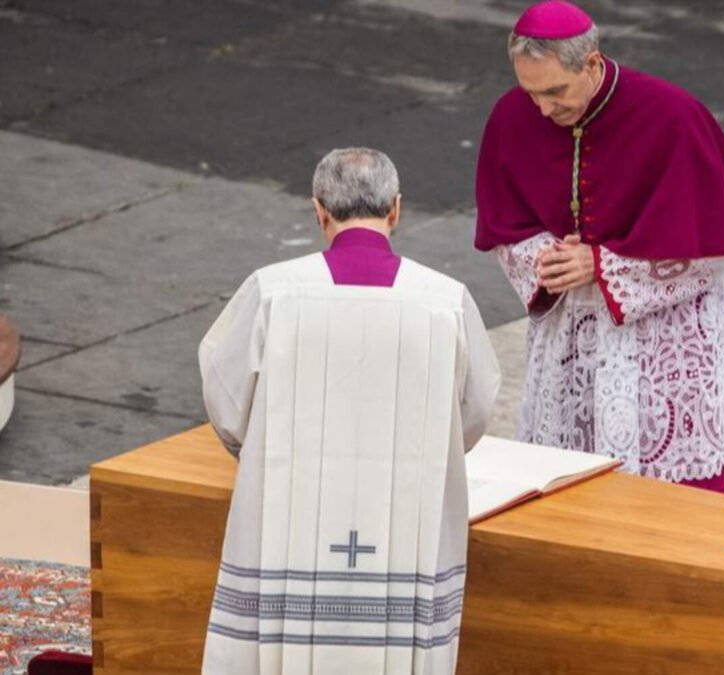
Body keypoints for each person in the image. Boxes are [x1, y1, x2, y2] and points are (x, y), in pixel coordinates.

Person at [199, 148, 500, 675]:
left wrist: (258, 449)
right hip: (407, 514)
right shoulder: (445, 301)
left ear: (318, 211)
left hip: (288, 508)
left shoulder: (273, 291)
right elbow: (475, 409)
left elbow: (225, 396)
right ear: (396, 209)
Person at [474, 1, 724, 493]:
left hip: (662, 342)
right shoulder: (513, 116)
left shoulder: (673, 117)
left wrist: (603, 265)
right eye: (531, 93)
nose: (543, 110)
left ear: (591, 64)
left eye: (554, 92)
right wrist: (551, 262)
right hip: (573, 336)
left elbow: (711, 251)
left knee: (676, 497)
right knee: (569, 483)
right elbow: (507, 229)